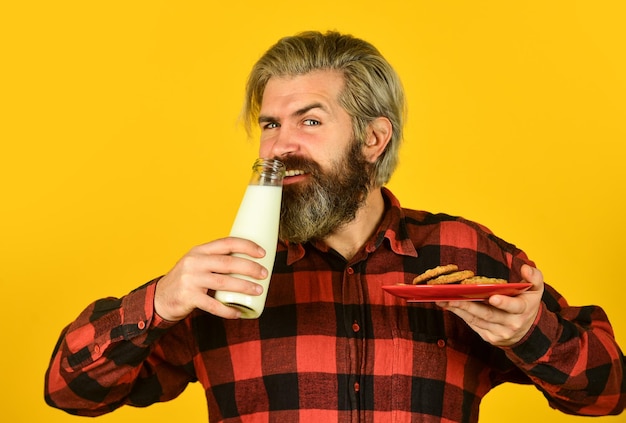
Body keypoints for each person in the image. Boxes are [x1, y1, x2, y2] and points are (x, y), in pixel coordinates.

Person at [45, 31, 625, 422]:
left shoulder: (463, 253)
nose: (280, 145)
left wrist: (529, 333)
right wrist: (160, 301)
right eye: (270, 124)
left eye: (311, 120)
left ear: (373, 140)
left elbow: (607, 392)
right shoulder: (224, 278)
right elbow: (70, 391)